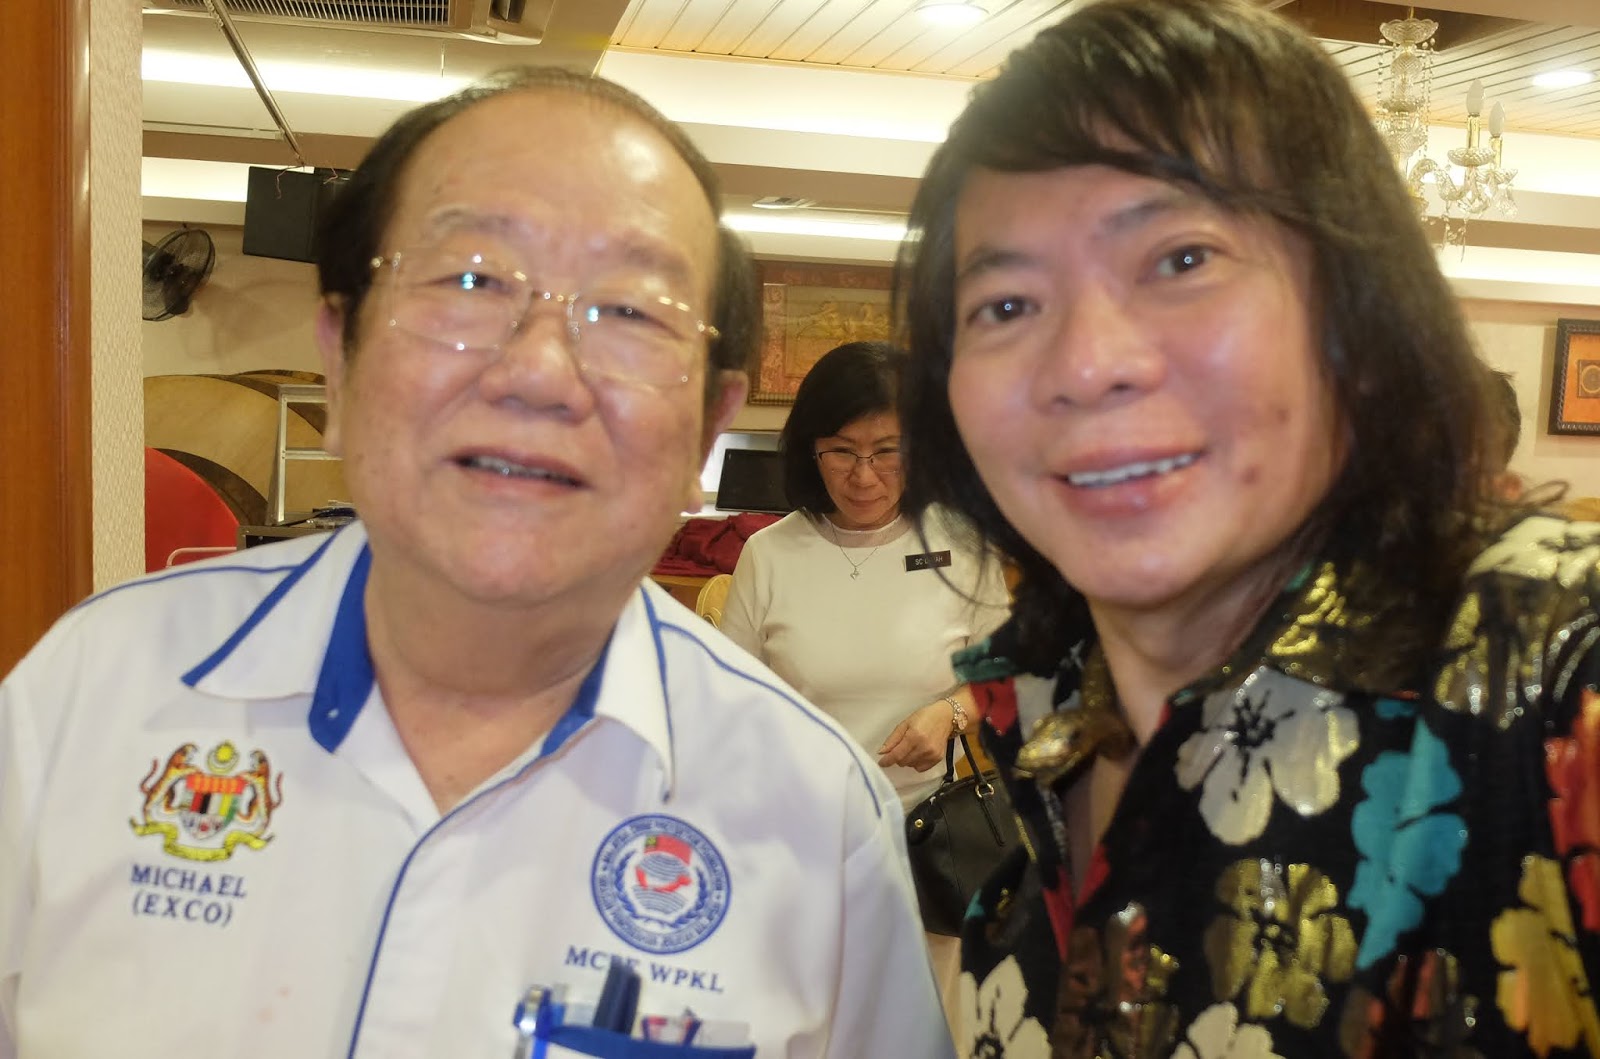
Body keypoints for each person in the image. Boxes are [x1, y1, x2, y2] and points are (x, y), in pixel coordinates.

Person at [0, 69, 952, 1059]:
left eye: (632, 313)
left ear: (708, 423)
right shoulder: (92, 694)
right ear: (339, 358)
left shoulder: (816, 819)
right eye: (467, 283)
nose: (538, 371)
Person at [894, 1, 1600, 1056]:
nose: (1086, 364)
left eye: (1182, 259)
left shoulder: (1546, 672)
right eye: (1005, 306)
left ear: (1355, 316)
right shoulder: (1036, 727)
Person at [718, 341, 1011, 1021]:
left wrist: (951, 713)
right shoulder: (769, 554)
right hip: (801, 836)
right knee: (807, 1019)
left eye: (887, 451)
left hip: (931, 838)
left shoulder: (961, 546)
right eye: (841, 451)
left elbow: (1006, 673)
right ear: (810, 450)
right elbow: (728, 702)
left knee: (922, 1022)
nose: (863, 476)